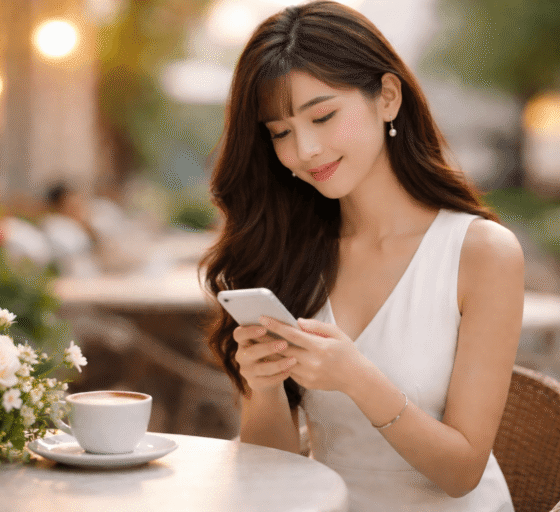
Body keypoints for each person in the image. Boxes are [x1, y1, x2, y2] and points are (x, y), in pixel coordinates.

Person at [199, 2, 523, 511]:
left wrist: (356, 377)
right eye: (280, 132)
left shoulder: (480, 253)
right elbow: (272, 476)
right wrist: (262, 389)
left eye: (323, 116)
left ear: (387, 97)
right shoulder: (287, 253)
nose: (304, 149)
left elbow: (462, 472)